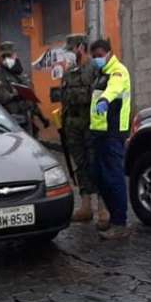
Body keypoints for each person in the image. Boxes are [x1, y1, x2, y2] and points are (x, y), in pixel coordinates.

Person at [61, 34, 108, 225]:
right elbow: (64, 96)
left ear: (81, 47)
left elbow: (97, 94)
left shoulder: (94, 69)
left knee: (95, 163)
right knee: (80, 165)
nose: (70, 54)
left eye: (71, 49)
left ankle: (103, 208)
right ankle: (85, 205)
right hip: (73, 125)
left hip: (90, 123)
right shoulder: (69, 71)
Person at [89, 39, 132, 240]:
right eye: (94, 55)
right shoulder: (101, 73)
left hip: (114, 133)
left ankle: (120, 223)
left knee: (114, 178)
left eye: (99, 54)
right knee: (100, 177)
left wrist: (106, 99)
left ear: (108, 52)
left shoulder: (118, 71)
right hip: (100, 133)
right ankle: (112, 218)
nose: (96, 58)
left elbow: (113, 88)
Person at [0, 42, 48, 135]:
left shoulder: (20, 73)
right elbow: (0, 96)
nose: (8, 58)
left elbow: (31, 99)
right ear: (1, 57)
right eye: (5, 56)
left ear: (15, 55)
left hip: (27, 118)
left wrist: (41, 117)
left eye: (10, 55)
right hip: (12, 121)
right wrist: (15, 95)